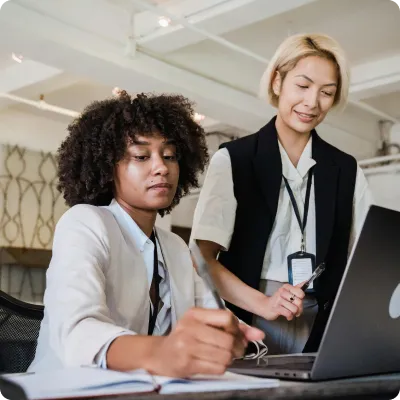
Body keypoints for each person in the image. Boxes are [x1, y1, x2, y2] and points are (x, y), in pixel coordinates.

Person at [29, 91, 264, 376]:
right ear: (107, 167)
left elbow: (214, 316)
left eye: (170, 156)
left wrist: (235, 337)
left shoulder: (174, 247)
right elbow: (77, 334)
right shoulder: (84, 223)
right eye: (141, 156)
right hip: (66, 390)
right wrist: (162, 352)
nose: (161, 167)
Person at [191, 33, 373, 355]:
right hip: (248, 319)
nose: (312, 102)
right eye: (302, 86)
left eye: (326, 93)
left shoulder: (347, 170)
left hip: (321, 325)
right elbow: (202, 259)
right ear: (277, 82)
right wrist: (263, 302)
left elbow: (365, 260)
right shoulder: (234, 160)